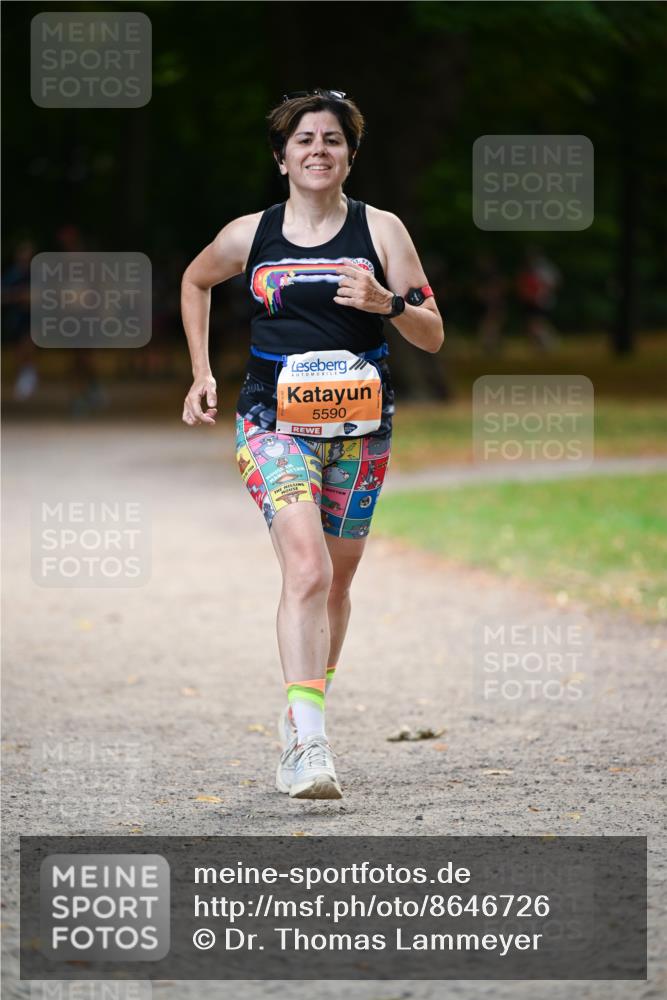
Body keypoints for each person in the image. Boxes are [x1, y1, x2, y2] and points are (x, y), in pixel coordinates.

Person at [180, 89, 444, 800]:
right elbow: (194, 280)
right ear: (281, 157)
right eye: (304, 140)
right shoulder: (250, 234)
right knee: (306, 568)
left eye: (331, 139)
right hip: (270, 424)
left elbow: (432, 330)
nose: (317, 150)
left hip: (360, 433)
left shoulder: (380, 231)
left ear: (349, 155)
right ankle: (309, 743)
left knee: (337, 581)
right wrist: (202, 372)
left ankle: (301, 706)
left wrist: (387, 304)